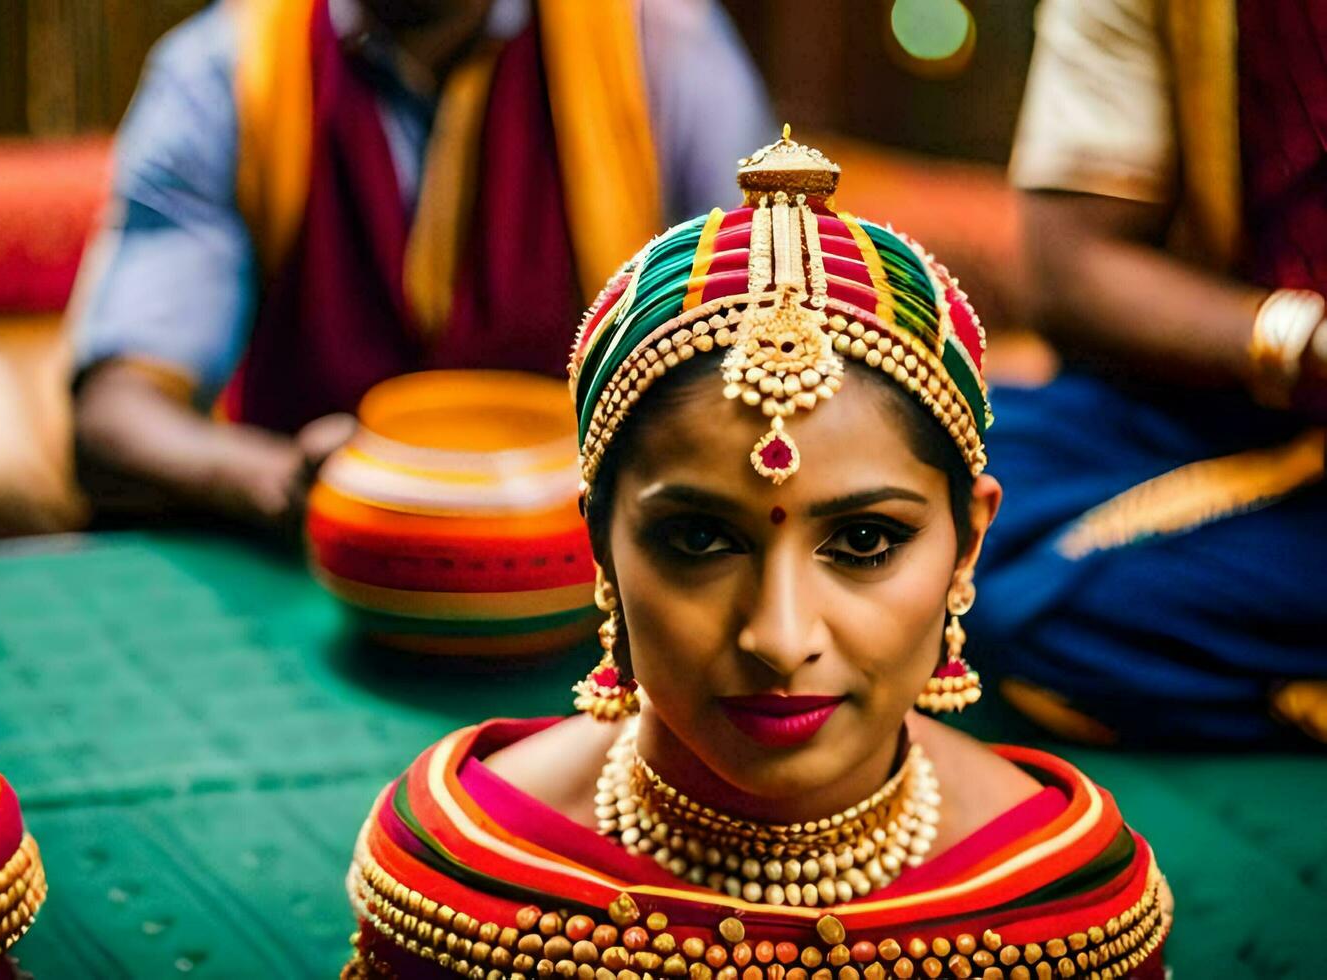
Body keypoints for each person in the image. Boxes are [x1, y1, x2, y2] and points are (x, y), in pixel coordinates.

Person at [342, 134, 1171, 980]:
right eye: (701, 540)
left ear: (969, 543)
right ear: (600, 542)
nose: (779, 638)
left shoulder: (1061, 904)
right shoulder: (467, 882)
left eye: (863, 543)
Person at [69, 0, 772, 531]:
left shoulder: (659, 45)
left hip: (588, 575)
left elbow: (768, 349)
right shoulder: (225, 68)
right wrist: (285, 481)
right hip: (312, 579)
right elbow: (116, 412)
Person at [967, 0, 1327, 747]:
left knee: (1030, 606)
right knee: (923, 484)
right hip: (1229, 404)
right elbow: (1068, 264)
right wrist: (1306, 343)